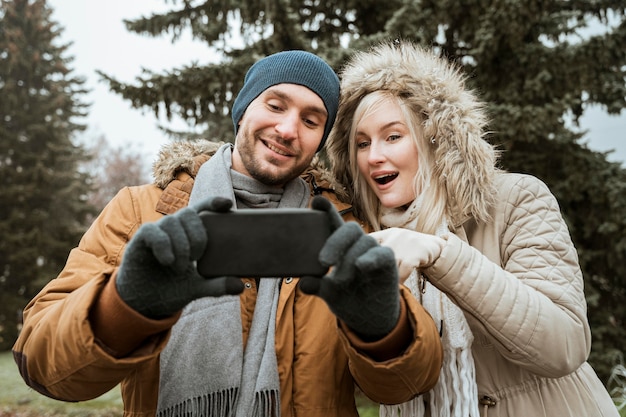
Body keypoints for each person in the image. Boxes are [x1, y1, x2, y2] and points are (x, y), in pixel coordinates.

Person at [12, 50, 444, 417]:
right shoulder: (141, 210)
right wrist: (123, 306)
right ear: (244, 109)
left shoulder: (341, 228)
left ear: (319, 142)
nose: (289, 129)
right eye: (276, 106)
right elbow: (42, 364)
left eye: (312, 121)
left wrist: (382, 326)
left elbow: (406, 384)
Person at [325, 40, 619, 417]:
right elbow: (380, 382)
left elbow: (563, 346)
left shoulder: (516, 199)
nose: (373, 156)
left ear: (434, 139)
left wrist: (441, 254)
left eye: (393, 136)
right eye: (361, 143)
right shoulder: (366, 238)